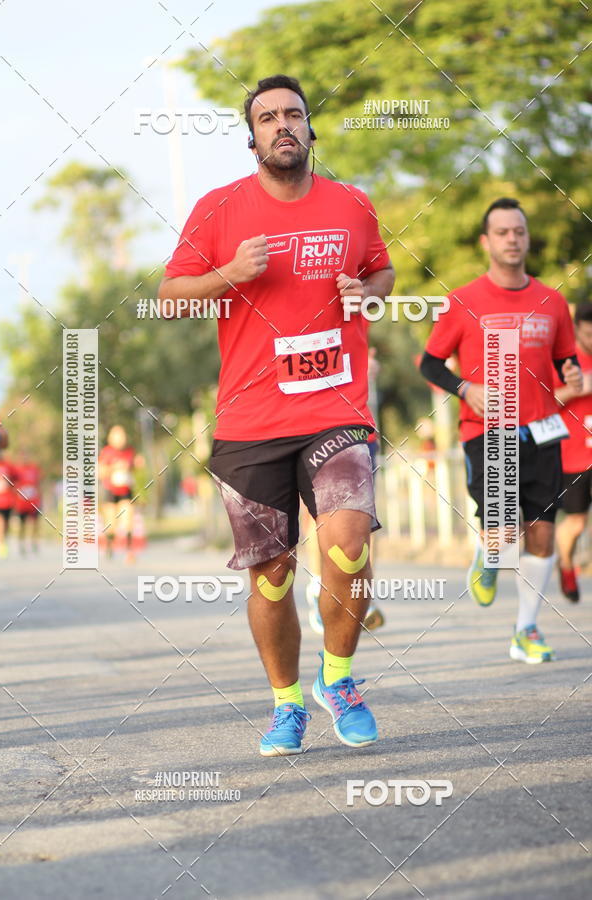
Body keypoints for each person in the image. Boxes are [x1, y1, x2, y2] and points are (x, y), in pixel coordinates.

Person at [159, 74, 395, 755]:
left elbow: (382, 273)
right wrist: (229, 273)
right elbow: (173, 295)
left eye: (294, 113)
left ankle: (340, 680)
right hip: (251, 418)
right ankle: (287, 703)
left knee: (348, 539)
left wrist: (367, 291)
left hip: (337, 406)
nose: (283, 125)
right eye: (269, 118)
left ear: (309, 128)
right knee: (274, 573)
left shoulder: (353, 204)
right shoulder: (218, 209)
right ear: (253, 137)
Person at [420, 197, 582, 664]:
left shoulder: (553, 301)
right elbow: (431, 362)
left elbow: (564, 358)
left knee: (543, 535)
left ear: (527, 239)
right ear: (486, 242)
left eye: (520, 231)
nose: (513, 239)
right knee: (505, 532)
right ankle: (488, 558)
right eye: (504, 232)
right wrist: (464, 387)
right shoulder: (463, 301)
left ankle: (526, 630)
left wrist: (570, 374)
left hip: (544, 429)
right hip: (489, 430)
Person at [305, 346, 385, 633]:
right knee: (318, 518)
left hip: (358, 430)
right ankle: (319, 588)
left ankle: (362, 592)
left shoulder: (357, 304)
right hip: (309, 430)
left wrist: (369, 366)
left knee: (362, 521)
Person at [554, 301, 592, 602]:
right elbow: (545, 401)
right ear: (577, 329)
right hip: (573, 455)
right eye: (589, 334)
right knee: (577, 522)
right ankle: (565, 563)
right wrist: (579, 387)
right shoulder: (563, 361)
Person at [99, 425, 143, 563]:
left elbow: (135, 466)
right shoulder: (106, 452)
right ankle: (109, 546)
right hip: (111, 490)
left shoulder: (130, 451)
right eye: (117, 436)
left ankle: (129, 551)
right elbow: (100, 472)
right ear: (111, 438)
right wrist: (114, 467)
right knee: (111, 523)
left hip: (126, 490)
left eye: (122, 436)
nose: (120, 439)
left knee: (128, 519)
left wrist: (138, 464)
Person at [14, 450, 43, 554]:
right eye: (23, 456)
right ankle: (21, 544)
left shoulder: (34, 469)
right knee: (22, 524)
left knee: (35, 523)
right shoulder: (16, 469)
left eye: (27, 456)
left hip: (34, 501)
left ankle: (34, 542)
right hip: (21, 502)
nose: (25, 458)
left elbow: (38, 483)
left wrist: (40, 498)